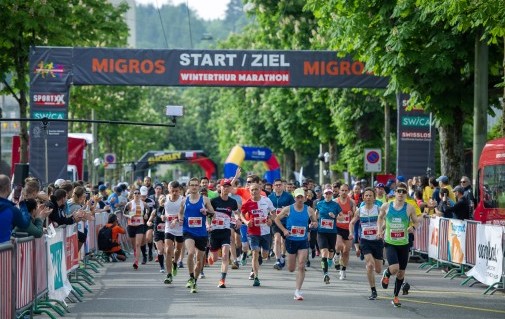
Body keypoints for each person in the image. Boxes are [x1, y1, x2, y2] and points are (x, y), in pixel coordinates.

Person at [378, 182, 420, 307]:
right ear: (395, 193)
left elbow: (416, 222)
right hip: (390, 242)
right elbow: (380, 218)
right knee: (394, 268)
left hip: (404, 243)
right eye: (399, 191)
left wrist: (412, 227)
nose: (401, 194)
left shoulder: (410, 207)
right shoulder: (387, 206)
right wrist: (380, 231)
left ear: (406, 194)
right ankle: (387, 273)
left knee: (401, 273)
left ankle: (395, 297)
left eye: (404, 191)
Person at [275, 188, 318, 300]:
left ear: (304, 198)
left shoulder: (309, 210)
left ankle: (297, 291)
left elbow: (315, 222)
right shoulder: (288, 209)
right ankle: (287, 263)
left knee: (301, 264)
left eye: (301, 197)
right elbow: (276, 219)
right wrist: (284, 230)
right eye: (297, 197)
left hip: (303, 241)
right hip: (291, 241)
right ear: (294, 198)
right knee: (291, 268)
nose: (299, 199)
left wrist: (313, 224)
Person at [178, 177, 215, 293]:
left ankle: (194, 281)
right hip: (188, 231)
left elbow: (213, 213)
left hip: (201, 233)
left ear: (199, 186)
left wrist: (206, 212)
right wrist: (180, 219)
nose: (194, 187)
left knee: (199, 260)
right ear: (189, 187)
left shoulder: (205, 200)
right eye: (192, 185)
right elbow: (180, 213)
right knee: (191, 253)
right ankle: (190, 276)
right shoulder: (184, 200)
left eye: (196, 185)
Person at [349, 187, 383, 300]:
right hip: (365, 241)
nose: (368, 197)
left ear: (374, 197)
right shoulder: (360, 210)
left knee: (378, 269)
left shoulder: (378, 209)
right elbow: (352, 223)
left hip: (377, 241)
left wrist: (380, 230)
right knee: (369, 265)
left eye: (370, 195)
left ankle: (385, 275)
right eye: (366, 195)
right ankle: (373, 290)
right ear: (363, 197)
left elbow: (386, 221)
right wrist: (351, 233)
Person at [240, 182, 275, 287]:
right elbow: (241, 214)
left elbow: (273, 213)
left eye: (256, 189)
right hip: (253, 232)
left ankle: (260, 256)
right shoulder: (247, 203)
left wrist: (270, 220)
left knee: (264, 255)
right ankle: (256, 277)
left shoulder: (266, 200)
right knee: (255, 252)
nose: (254, 191)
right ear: (250, 191)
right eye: (252, 190)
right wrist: (246, 222)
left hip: (265, 232)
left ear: (260, 190)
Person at [209, 178, 239, 288]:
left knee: (226, 255)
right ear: (220, 187)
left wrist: (237, 219)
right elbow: (208, 214)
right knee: (215, 258)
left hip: (226, 231)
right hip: (214, 232)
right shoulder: (214, 201)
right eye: (224, 186)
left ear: (230, 188)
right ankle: (210, 256)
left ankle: (222, 280)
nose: (226, 188)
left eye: (228, 186)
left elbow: (236, 213)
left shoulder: (232, 202)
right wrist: (208, 224)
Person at [315, 187, 341, 284]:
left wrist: (335, 216)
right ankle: (325, 274)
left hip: (332, 232)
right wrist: (313, 222)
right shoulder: (319, 204)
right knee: (324, 252)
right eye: (326, 193)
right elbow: (315, 215)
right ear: (323, 194)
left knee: (331, 252)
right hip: (321, 232)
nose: (328, 195)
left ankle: (331, 259)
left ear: (332, 194)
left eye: (330, 193)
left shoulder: (336, 205)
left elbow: (342, 217)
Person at [268, 178, 295, 270]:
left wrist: (287, 212)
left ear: (283, 186)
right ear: (273, 186)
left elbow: (293, 209)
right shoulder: (270, 197)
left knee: (284, 242)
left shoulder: (288, 197)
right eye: (276, 185)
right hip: (275, 222)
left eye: (280, 185)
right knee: (277, 239)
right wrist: (270, 217)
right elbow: (267, 210)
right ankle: (278, 260)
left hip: (286, 222)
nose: (278, 186)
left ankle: (283, 256)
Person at [162, 181, 185, 285]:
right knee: (168, 250)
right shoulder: (165, 198)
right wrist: (161, 216)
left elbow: (185, 213)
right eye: (172, 191)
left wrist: (177, 219)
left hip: (179, 228)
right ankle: (168, 275)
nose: (175, 193)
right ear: (169, 189)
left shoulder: (183, 200)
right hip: (168, 227)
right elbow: (159, 210)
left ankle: (175, 263)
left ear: (179, 190)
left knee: (178, 250)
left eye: (176, 191)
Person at [335, 183, 356, 279]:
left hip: (348, 228)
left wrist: (352, 213)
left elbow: (356, 215)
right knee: (339, 245)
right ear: (339, 191)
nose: (344, 192)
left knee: (346, 251)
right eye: (342, 190)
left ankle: (343, 270)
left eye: (345, 190)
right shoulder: (335, 202)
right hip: (338, 227)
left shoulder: (351, 202)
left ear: (348, 191)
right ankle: (337, 254)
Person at [124, 188, 149, 270]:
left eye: (138, 193)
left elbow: (148, 209)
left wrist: (146, 214)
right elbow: (125, 213)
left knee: (138, 244)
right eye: (135, 193)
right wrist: (130, 215)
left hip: (140, 225)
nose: (137, 194)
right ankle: (135, 252)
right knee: (134, 245)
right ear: (133, 195)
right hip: (131, 225)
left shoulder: (143, 203)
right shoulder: (129, 204)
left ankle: (136, 262)